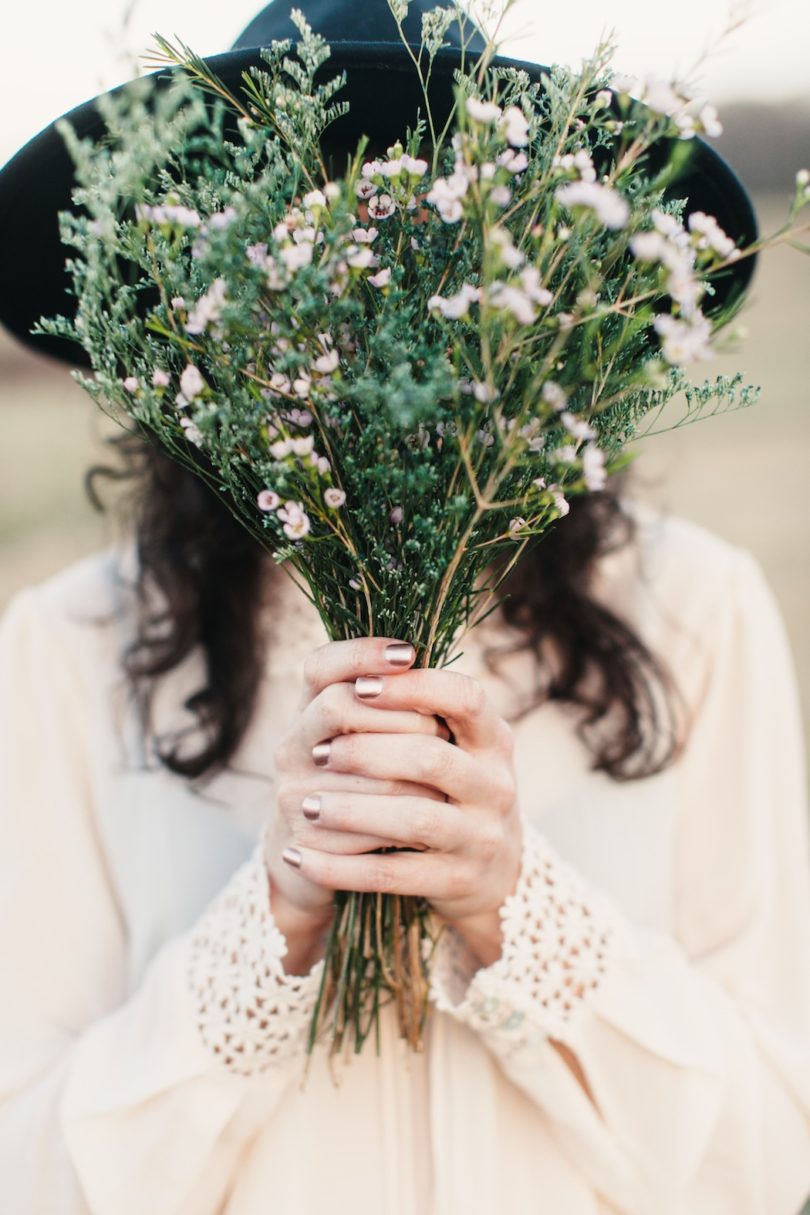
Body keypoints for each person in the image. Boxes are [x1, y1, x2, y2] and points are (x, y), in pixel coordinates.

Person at [1, 2, 809, 1213]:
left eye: (446, 252)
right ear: (198, 303)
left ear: (533, 290)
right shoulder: (68, 652)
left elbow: (768, 1164)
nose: (375, 330)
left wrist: (518, 910)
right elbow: (32, 1178)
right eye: (300, 254)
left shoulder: (697, 613)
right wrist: (269, 924)